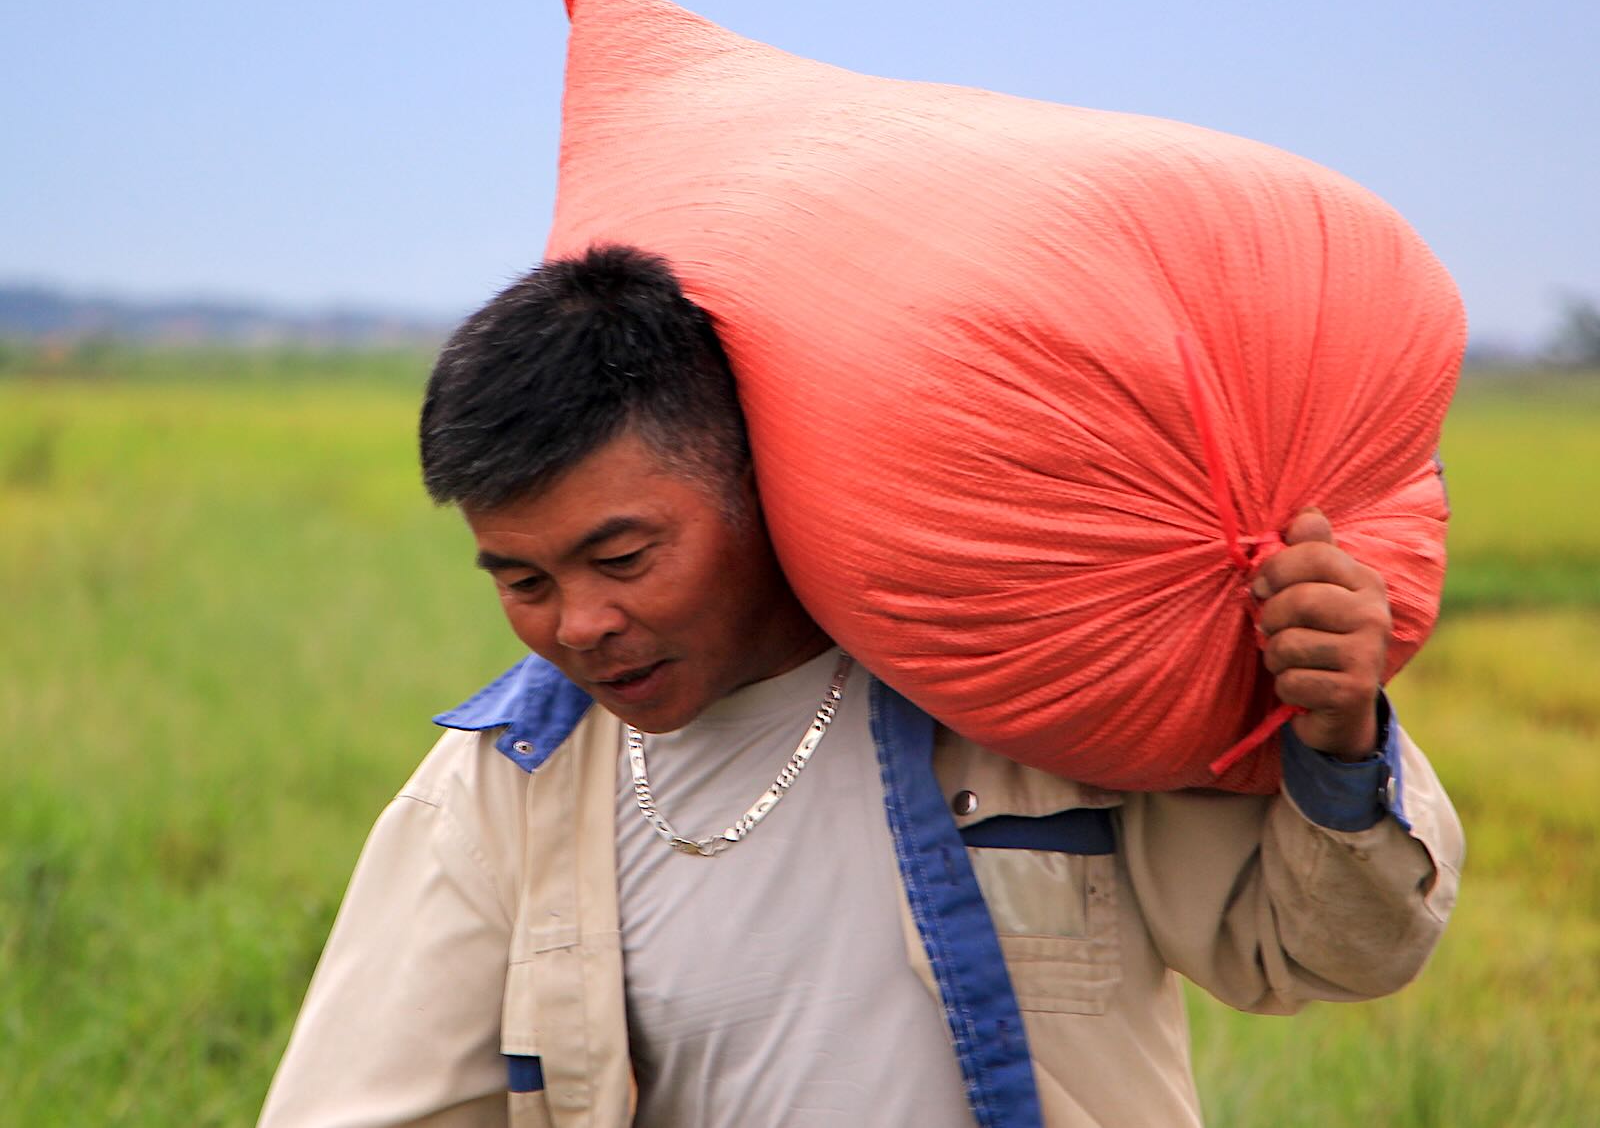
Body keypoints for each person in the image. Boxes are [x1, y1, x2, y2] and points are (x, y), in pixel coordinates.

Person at [258, 245, 1463, 1128]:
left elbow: (1322, 954)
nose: (577, 625)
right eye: (520, 579)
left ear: (755, 481)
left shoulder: (1022, 693)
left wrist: (1338, 739)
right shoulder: (494, 795)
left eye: (623, 559)